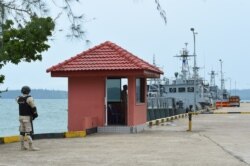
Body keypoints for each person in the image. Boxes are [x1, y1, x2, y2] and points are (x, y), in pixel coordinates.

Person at [16, 86, 39, 151]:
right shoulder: (29, 98)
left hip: (20, 117)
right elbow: (33, 107)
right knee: (29, 132)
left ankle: (22, 147)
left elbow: (19, 101)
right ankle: (31, 147)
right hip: (27, 117)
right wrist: (35, 115)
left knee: (22, 132)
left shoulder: (18, 98)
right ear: (28, 91)